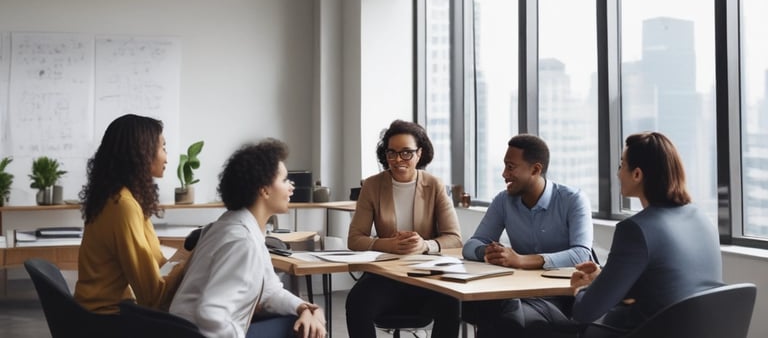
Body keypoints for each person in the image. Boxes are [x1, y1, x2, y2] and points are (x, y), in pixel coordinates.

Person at [569, 132, 722, 337]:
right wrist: (604, 277)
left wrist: (582, 290)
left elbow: (586, 312)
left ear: (637, 174)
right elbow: (665, 282)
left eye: (622, 165)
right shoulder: (700, 217)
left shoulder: (635, 229)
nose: (618, 173)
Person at [169, 139, 326, 338]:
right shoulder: (241, 241)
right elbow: (211, 314)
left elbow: (269, 289)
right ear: (264, 189)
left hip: (189, 329)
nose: (291, 187)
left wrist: (304, 308)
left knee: (303, 321)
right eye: (285, 180)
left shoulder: (236, 226)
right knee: (301, 329)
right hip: (199, 333)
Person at [462, 133, 593, 337]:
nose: (504, 174)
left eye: (511, 167)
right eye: (505, 166)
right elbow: (470, 245)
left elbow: (581, 254)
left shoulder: (573, 200)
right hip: (519, 293)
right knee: (471, 307)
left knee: (500, 319)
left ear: (535, 169)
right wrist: (488, 252)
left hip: (562, 296)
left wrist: (521, 260)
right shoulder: (503, 201)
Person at [345, 119, 463, 338]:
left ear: (420, 153)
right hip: (386, 276)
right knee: (357, 302)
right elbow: (354, 239)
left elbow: (454, 238)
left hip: (428, 275)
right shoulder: (372, 185)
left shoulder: (435, 185)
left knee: (451, 302)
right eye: (392, 153)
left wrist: (425, 245)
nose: (398, 159)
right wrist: (386, 244)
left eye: (406, 153)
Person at [75, 113, 184, 313]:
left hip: (99, 313)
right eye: (163, 148)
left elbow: (157, 263)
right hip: (106, 321)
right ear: (143, 152)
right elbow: (153, 297)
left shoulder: (119, 198)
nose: (166, 157)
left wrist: (184, 260)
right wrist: (191, 261)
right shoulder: (123, 206)